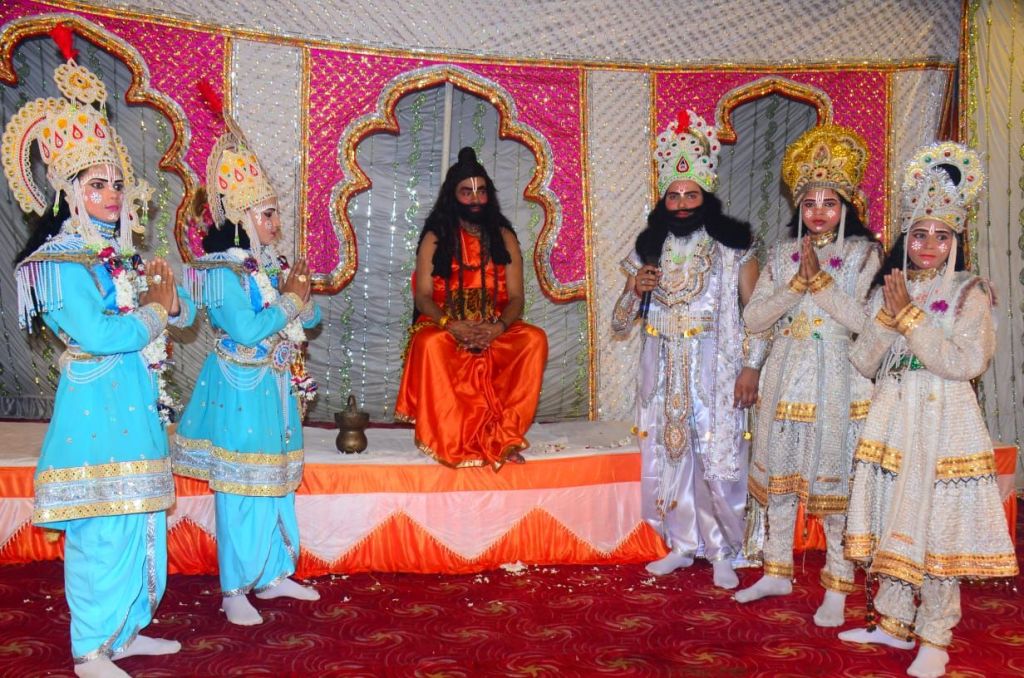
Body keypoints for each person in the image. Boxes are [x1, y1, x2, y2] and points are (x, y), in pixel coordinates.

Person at [1, 29, 195, 678]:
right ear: (66, 191)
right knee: (103, 527)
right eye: (96, 184)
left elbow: (174, 315)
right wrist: (155, 309)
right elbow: (102, 334)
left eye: (116, 183)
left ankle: (126, 630)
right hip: (95, 411)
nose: (112, 196)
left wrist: (171, 299)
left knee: (142, 524)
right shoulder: (54, 265)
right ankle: (90, 649)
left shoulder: (118, 257)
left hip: (134, 404)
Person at [838, 142, 1017, 678]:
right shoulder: (890, 287)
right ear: (906, 238)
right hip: (894, 416)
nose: (929, 246)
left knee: (936, 524)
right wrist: (888, 318)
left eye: (941, 236)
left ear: (956, 241)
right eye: (920, 234)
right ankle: (892, 622)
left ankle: (936, 635)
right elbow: (863, 360)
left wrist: (911, 319)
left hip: (944, 419)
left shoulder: (969, 293)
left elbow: (965, 362)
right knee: (892, 511)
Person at [172, 115, 321, 626]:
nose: (277, 224)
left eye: (276, 214)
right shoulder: (217, 272)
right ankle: (234, 589)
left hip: (276, 387)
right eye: (269, 214)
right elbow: (248, 328)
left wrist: (301, 295)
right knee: (239, 487)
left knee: (276, 482)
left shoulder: (268, 265)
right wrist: (292, 300)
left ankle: (273, 575)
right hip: (239, 386)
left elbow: (308, 318)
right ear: (242, 216)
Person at [611, 110, 765, 588]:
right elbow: (620, 323)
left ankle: (723, 551)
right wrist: (633, 289)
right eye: (673, 196)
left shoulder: (734, 247)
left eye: (690, 195)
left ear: (706, 197)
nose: (681, 204)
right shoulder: (648, 247)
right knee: (670, 457)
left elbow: (759, 315)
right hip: (663, 369)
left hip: (716, 368)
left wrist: (751, 368)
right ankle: (681, 546)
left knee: (716, 461)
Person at [735, 125, 880, 627]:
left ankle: (838, 583)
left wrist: (820, 284)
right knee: (778, 481)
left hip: (838, 379)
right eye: (810, 202)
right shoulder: (781, 254)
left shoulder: (864, 254)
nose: (818, 211)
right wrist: (795, 285)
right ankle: (776, 569)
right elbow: (755, 318)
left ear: (846, 206)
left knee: (834, 489)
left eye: (829, 203)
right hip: (784, 376)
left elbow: (865, 322)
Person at [395, 147, 548, 469]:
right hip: (445, 325)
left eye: (482, 191)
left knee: (533, 340)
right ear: (453, 196)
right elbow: (423, 296)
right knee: (431, 344)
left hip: (494, 325)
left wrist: (498, 328)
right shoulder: (436, 237)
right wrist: (451, 324)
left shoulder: (504, 236)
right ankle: (454, 440)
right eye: (467, 192)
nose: (476, 199)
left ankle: (502, 437)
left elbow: (517, 298)